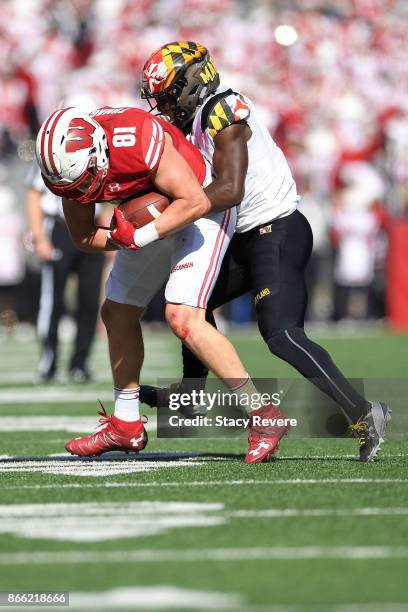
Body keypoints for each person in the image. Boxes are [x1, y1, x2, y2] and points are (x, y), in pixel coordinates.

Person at [139, 40, 391, 463]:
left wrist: (164, 219)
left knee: (282, 335)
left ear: (191, 83)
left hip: (278, 231)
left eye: (167, 94)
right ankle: (191, 397)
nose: (163, 104)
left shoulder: (224, 108)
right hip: (249, 236)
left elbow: (229, 188)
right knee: (189, 305)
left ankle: (364, 414)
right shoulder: (195, 120)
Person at [35, 104, 289, 462]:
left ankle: (264, 416)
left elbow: (195, 200)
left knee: (183, 317)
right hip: (150, 217)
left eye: (87, 178)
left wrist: (139, 236)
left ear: (99, 148)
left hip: (199, 208)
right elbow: (83, 237)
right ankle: (126, 424)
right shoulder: (65, 168)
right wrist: (123, 237)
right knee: (117, 313)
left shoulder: (135, 138)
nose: (85, 190)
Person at [26, 163, 105, 382]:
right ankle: (48, 362)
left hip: (93, 227)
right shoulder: (51, 149)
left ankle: (80, 364)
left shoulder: (98, 147)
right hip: (59, 228)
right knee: (53, 301)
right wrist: (39, 236)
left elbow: (110, 194)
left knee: (89, 300)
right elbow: (33, 191)